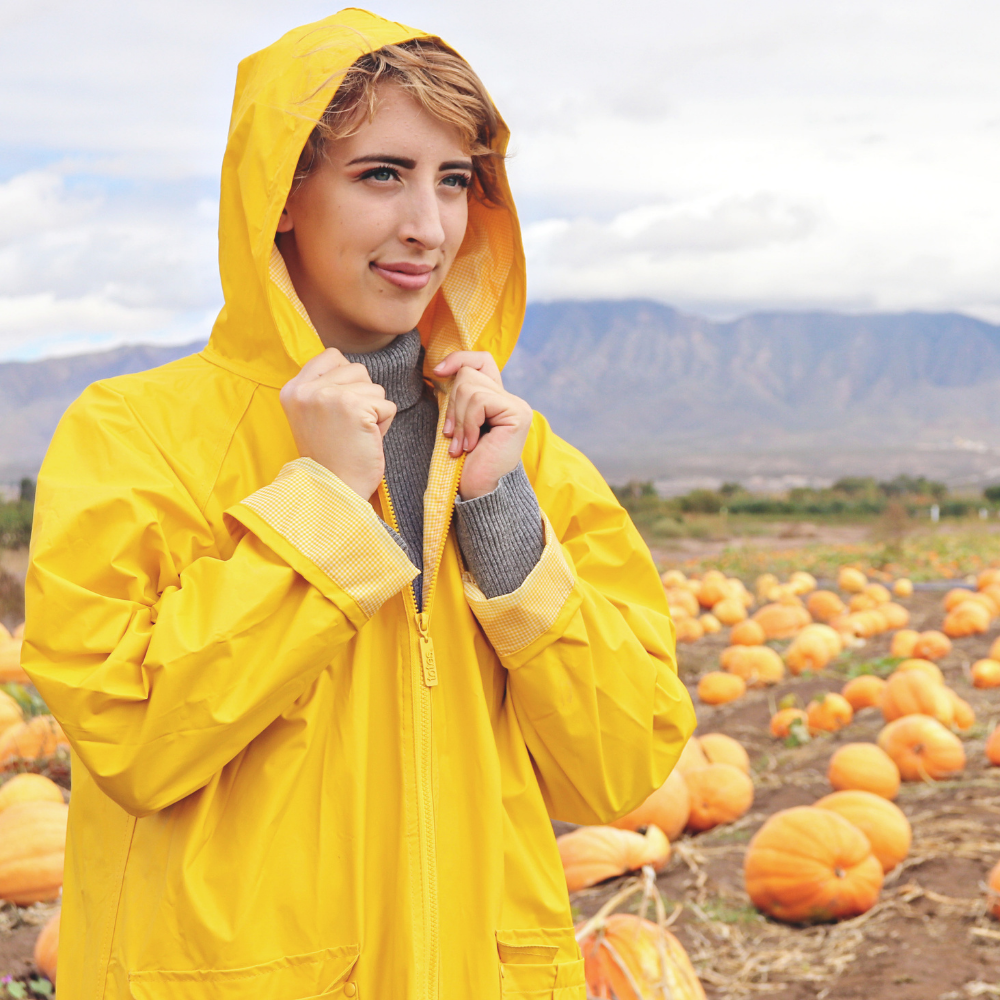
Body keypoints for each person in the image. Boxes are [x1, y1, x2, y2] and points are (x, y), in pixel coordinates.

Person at [23, 10, 695, 999]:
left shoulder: (518, 451)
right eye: (382, 173)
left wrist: (501, 517)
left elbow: (621, 764)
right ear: (281, 197)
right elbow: (135, 739)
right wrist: (327, 506)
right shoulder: (133, 434)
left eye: (454, 179)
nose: (427, 225)